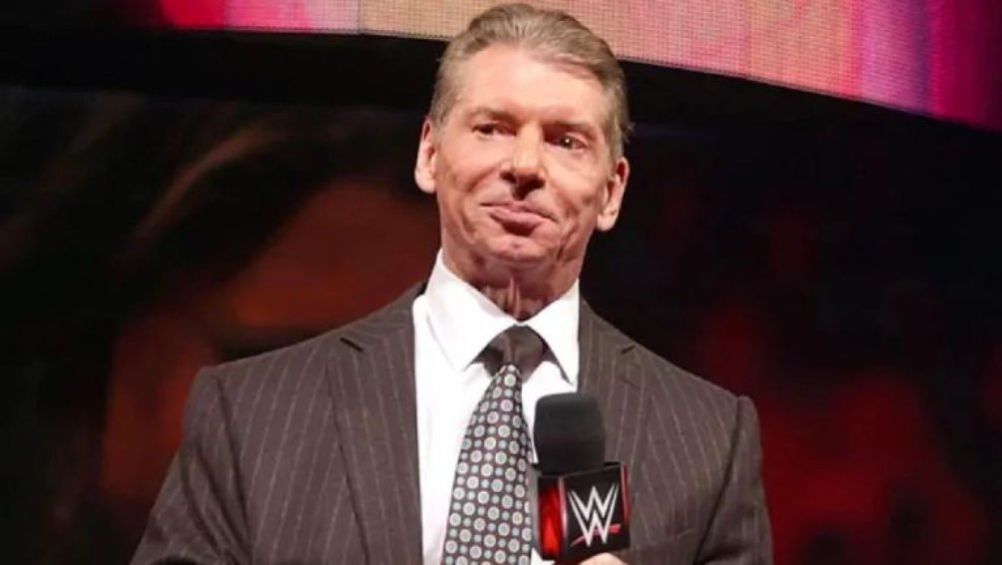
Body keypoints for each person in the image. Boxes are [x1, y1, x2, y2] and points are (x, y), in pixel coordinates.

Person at [132, 4, 772, 564]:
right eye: (492, 128)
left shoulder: (710, 441)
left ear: (612, 192)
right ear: (430, 155)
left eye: (565, 141)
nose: (525, 165)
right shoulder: (252, 413)